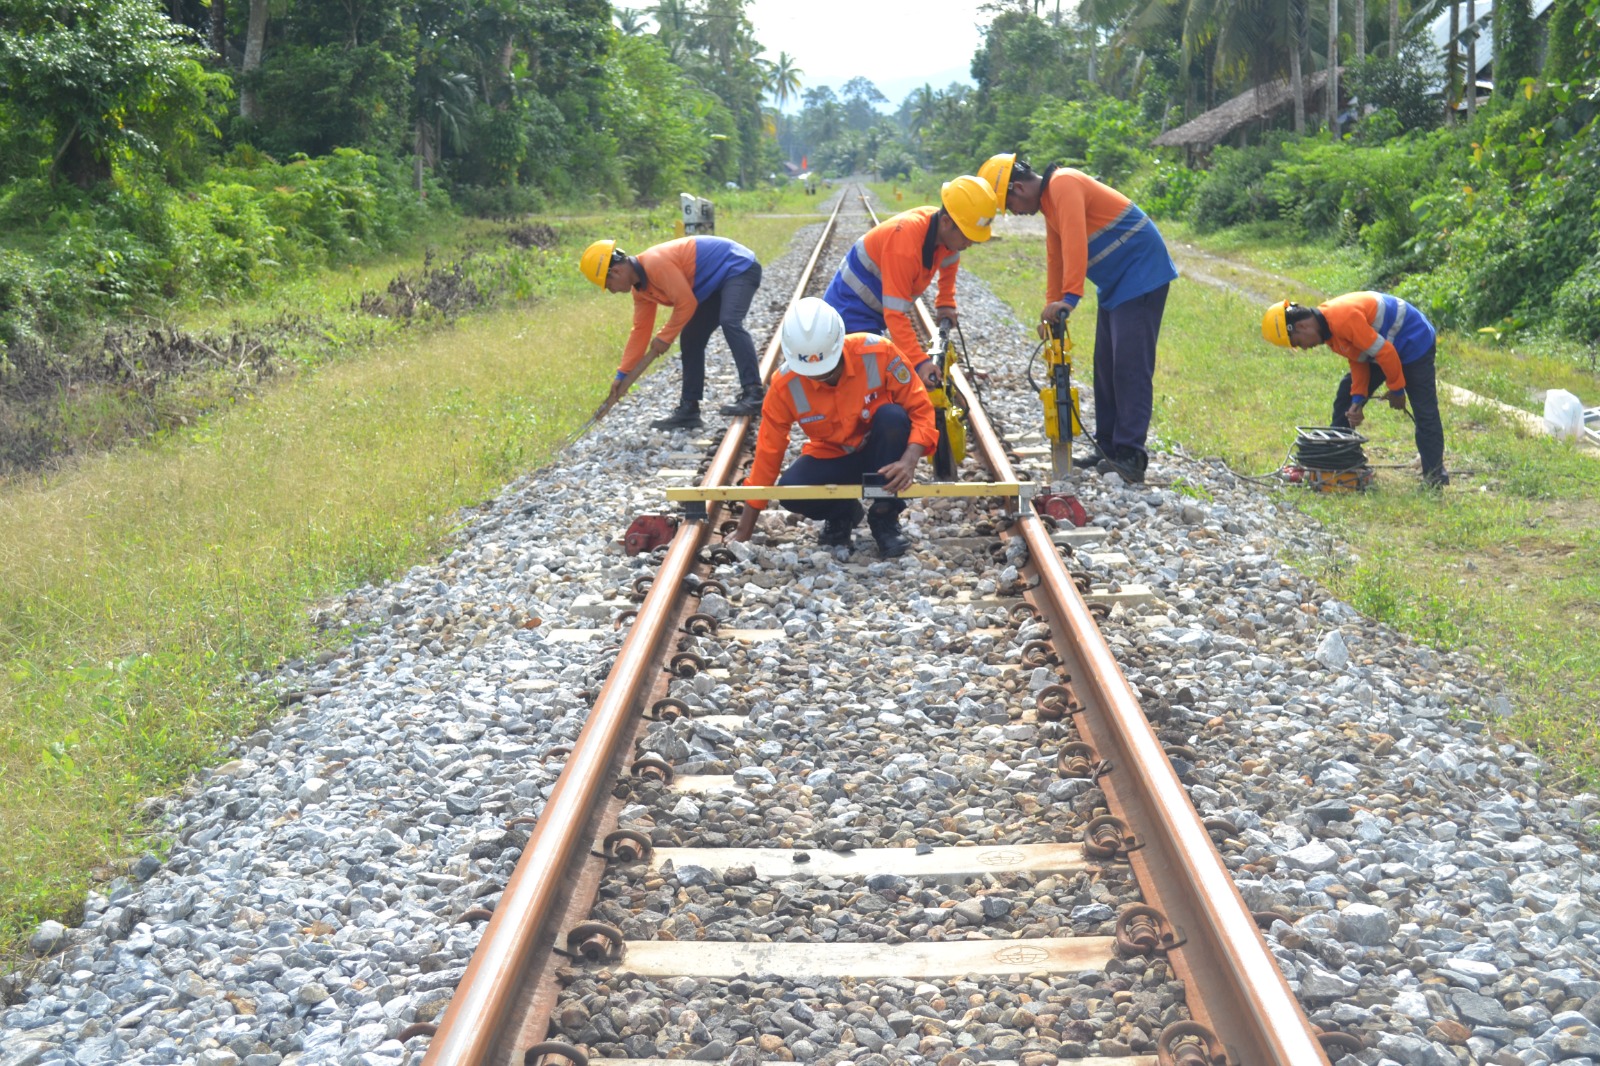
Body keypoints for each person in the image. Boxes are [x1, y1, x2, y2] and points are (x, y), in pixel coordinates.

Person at [978, 154, 1179, 484]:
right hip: (1117, 283)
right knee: (1105, 366)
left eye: (1008, 204)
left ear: (1017, 188)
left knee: (1129, 366)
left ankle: (1131, 455)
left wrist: (1069, 298)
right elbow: (1056, 254)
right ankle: (1109, 447)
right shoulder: (1050, 203)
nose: (1012, 212)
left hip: (1141, 272)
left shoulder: (1064, 183)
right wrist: (1051, 304)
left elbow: (1073, 239)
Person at [729, 298, 938, 558]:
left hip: (884, 453)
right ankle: (843, 513)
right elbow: (768, 452)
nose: (820, 377)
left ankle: (885, 518)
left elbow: (921, 409)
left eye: (826, 369)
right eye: (812, 372)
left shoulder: (879, 353)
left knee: (893, 417)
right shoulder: (785, 385)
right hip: (834, 456)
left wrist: (909, 460)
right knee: (792, 490)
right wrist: (744, 529)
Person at [821, 175, 996, 388]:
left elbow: (950, 260)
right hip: (850, 310)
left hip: (873, 311)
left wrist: (945, 302)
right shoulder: (905, 244)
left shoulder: (943, 234)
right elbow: (895, 314)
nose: (969, 243)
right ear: (946, 222)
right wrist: (919, 362)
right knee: (869, 385)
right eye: (967, 236)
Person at [579, 235, 765, 430]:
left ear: (615, 271)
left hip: (737, 267)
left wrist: (664, 337)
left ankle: (754, 393)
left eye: (608, 286)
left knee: (730, 321)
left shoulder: (655, 263)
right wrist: (622, 375)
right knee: (691, 338)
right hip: (714, 284)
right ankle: (689, 410)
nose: (612, 291)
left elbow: (686, 303)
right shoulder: (641, 291)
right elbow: (640, 331)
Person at [1261, 293, 1449, 486]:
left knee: (1425, 411)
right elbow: (1359, 360)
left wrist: (1397, 390)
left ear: (1301, 326)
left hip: (1413, 341)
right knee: (1346, 393)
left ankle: (1434, 479)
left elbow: (1386, 353)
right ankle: (1337, 463)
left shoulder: (1342, 319)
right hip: (1382, 347)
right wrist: (1357, 402)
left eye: (1299, 342)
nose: (1305, 348)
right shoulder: (1329, 333)